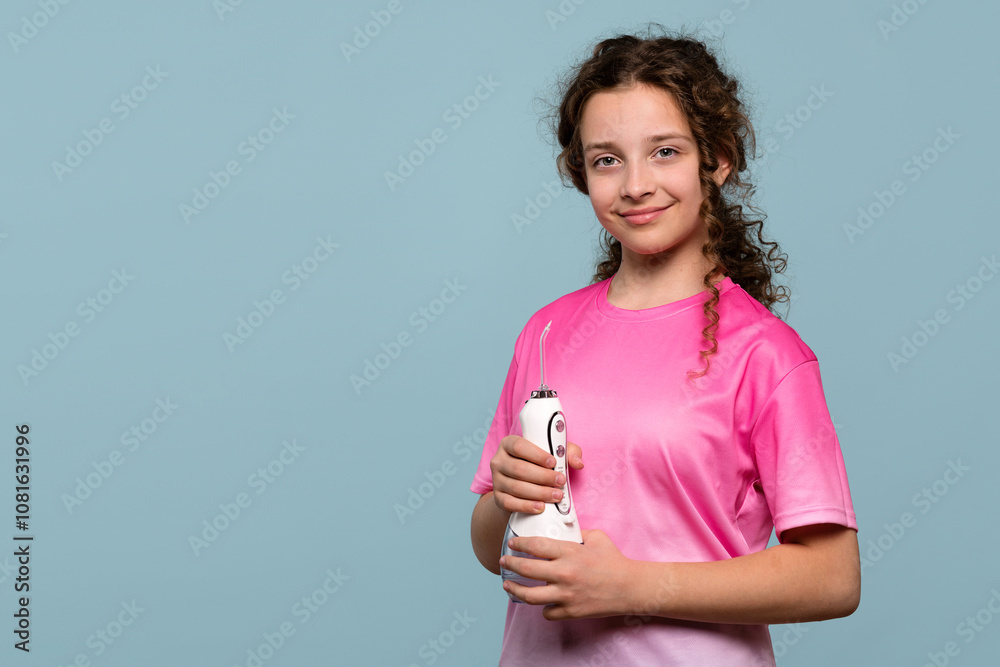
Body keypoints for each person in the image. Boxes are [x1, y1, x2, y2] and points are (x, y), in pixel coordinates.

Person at [468, 25, 860, 666]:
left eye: (666, 152)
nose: (635, 185)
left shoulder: (766, 354)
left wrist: (632, 588)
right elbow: (493, 551)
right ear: (582, 174)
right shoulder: (546, 332)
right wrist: (504, 499)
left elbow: (834, 578)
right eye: (607, 160)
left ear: (719, 159)